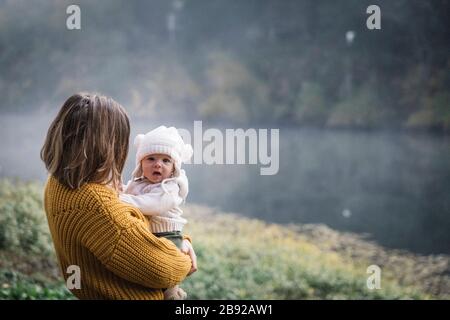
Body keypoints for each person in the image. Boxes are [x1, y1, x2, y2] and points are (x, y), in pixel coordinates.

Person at [40, 92, 197, 299]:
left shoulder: (57, 183)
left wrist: (179, 238)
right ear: (107, 145)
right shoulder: (96, 205)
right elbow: (162, 270)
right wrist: (184, 253)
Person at [120, 126, 193, 300]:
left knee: (166, 279)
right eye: (151, 158)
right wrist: (119, 190)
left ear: (174, 167)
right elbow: (130, 193)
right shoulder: (138, 182)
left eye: (166, 160)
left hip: (168, 235)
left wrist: (120, 200)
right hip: (151, 233)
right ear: (141, 163)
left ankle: (174, 295)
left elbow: (152, 204)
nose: (158, 164)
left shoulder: (170, 188)